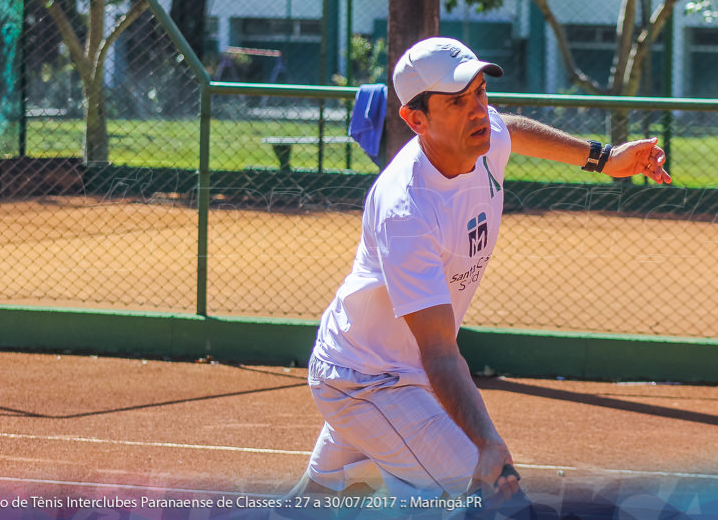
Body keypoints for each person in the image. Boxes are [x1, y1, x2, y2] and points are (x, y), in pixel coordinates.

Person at [286, 37, 670, 506]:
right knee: (499, 501)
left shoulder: (481, 136)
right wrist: (487, 442)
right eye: (456, 101)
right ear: (415, 120)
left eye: (479, 93)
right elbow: (439, 351)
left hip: (384, 368)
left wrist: (606, 159)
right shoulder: (407, 211)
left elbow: (511, 128)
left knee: (313, 503)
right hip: (368, 378)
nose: (476, 111)